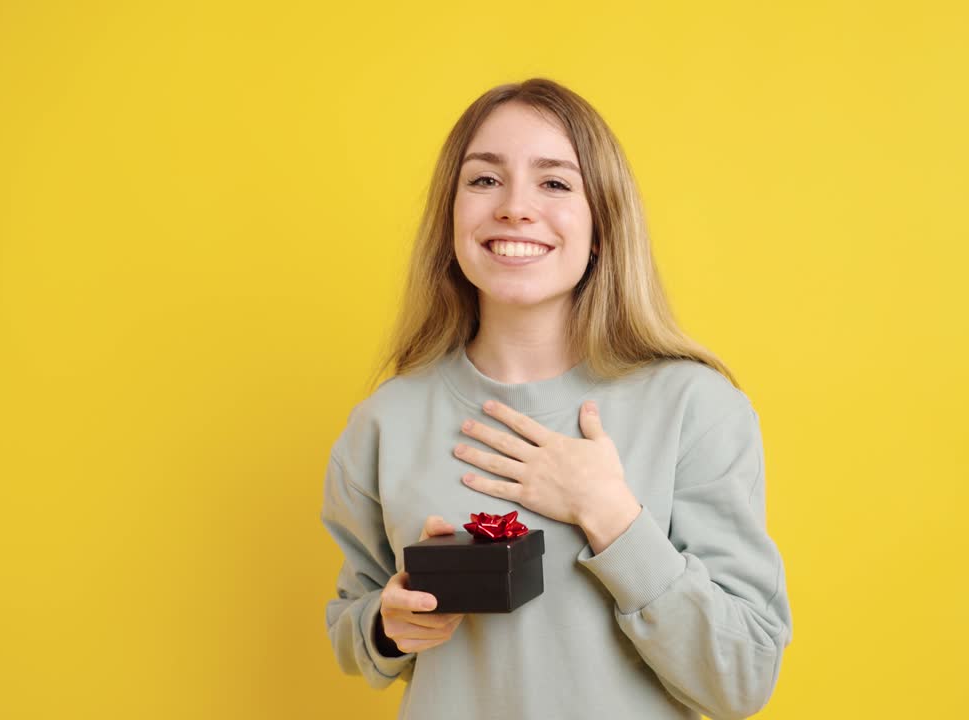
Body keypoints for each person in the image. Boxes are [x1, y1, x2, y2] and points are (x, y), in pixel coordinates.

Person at [320, 77, 793, 720]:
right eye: (484, 180)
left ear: (601, 225)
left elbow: (743, 677)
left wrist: (611, 516)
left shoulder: (695, 409)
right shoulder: (385, 423)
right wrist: (388, 623)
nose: (515, 207)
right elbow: (353, 620)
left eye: (555, 182)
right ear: (450, 218)